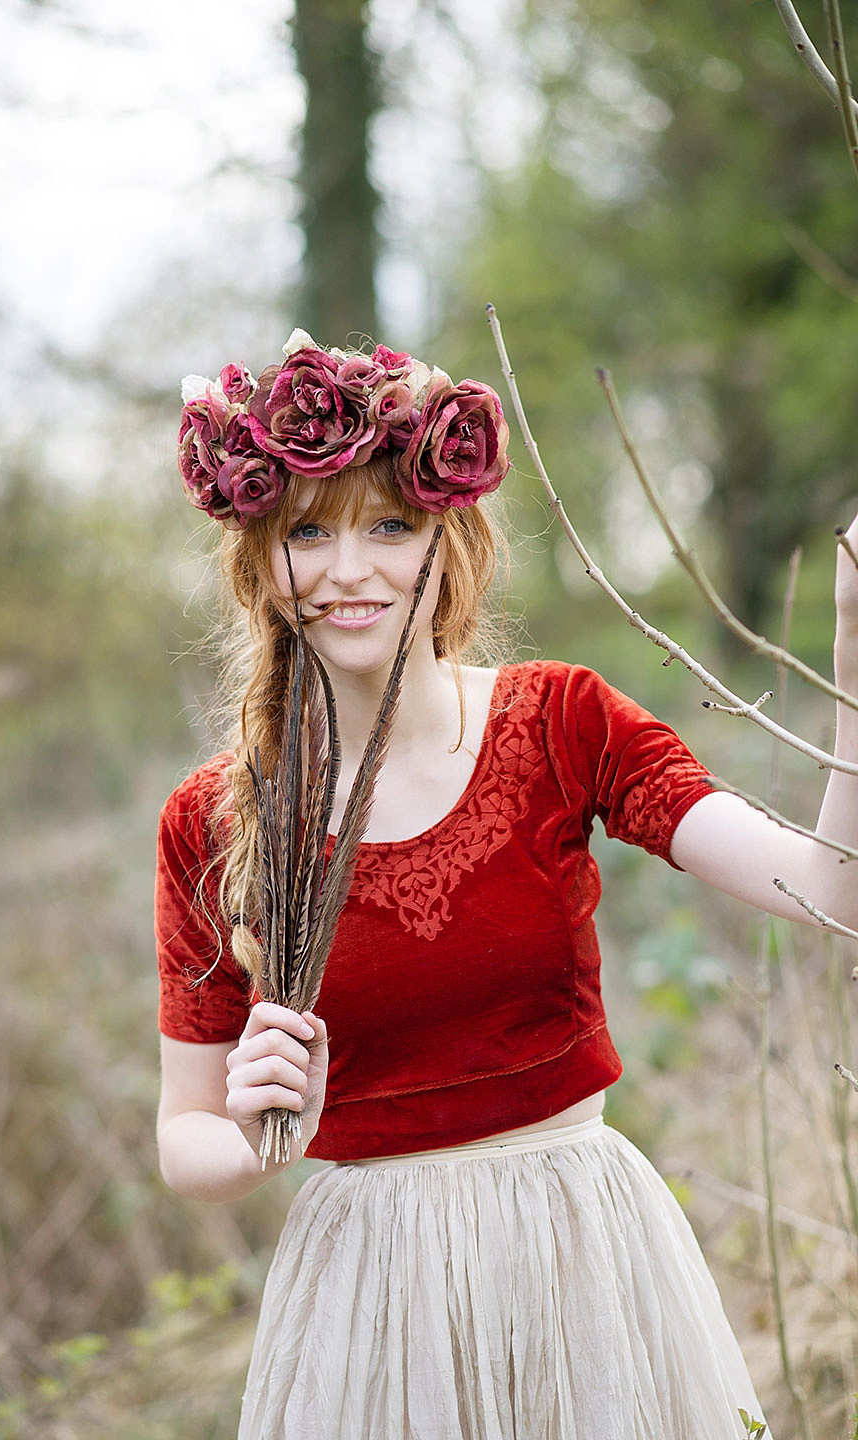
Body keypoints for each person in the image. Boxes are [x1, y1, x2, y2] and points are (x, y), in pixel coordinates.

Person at [155, 328, 858, 1440]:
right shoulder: (216, 819)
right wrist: (251, 1132)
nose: (350, 570)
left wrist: (855, 652)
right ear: (261, 564)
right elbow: (184, 1140)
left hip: (581, 1258)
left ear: (453, 540)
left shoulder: (561, 723)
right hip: (367, 1303)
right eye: (309, 532)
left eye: (391, 524)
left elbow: (832, 889)